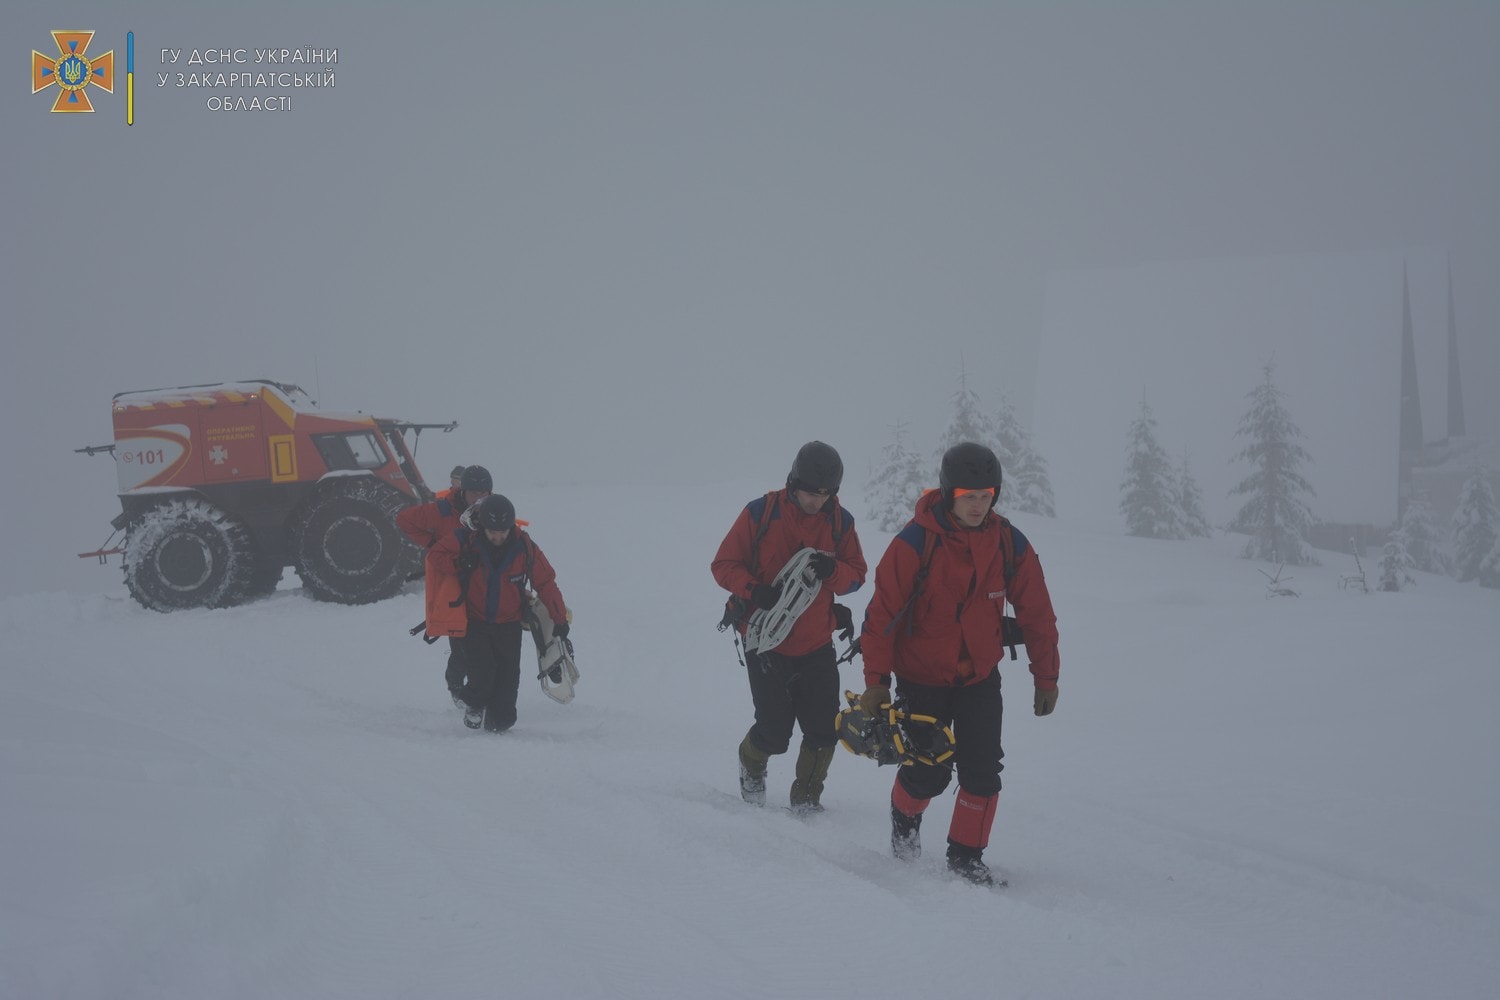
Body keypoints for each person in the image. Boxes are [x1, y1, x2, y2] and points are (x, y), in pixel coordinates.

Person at [857, 442, 1060, 885]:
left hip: (979, 678)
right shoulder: (914, 543)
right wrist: (876, 683)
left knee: (982, 771)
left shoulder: (1009, 542)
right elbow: (880, 619)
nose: (978, 505)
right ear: (949, 493)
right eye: (969, 496)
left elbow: (1037, 613)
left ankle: (966, 858)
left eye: (986, 496)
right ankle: (904, 827)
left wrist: (1046, 677)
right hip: (921, 678)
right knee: (928, 773)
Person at [712, 441, 867, 812]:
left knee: (823, 729)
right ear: (793, 482)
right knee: (774, 731)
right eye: (809, 492)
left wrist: (834, 572)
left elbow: (857, 575)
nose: (816, 501)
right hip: (764, 640)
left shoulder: (840, 523)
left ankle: (807, 801)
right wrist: (753, 590)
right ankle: (752, 765)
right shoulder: (761, 513)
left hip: (816, 641)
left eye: (824, 494)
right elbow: (723, 564)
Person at [425, 493, 569, 733]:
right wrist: (461, 563)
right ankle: (472, 703)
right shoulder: (466, 540)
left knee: (506, 700)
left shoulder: (524, 547)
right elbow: (436, 556)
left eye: (502, 531)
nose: (498, 536)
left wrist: (559, 619)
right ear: (482, 526)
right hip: (473, 622)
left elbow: (545, 582)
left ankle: (496, 719)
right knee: (483, 672)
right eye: (492, 531)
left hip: (509, 625)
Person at [398, 465, 493, 702]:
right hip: (454, 590)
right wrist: (434, 545)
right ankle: (456, 688)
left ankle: (481, 690)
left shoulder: (493, 512)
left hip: (484, 590)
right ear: (463, 491)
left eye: (485, 493)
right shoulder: (442, 511)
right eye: (474, 493)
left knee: (486, 644)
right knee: (461, 645)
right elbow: (404, 520)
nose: (480, 498)